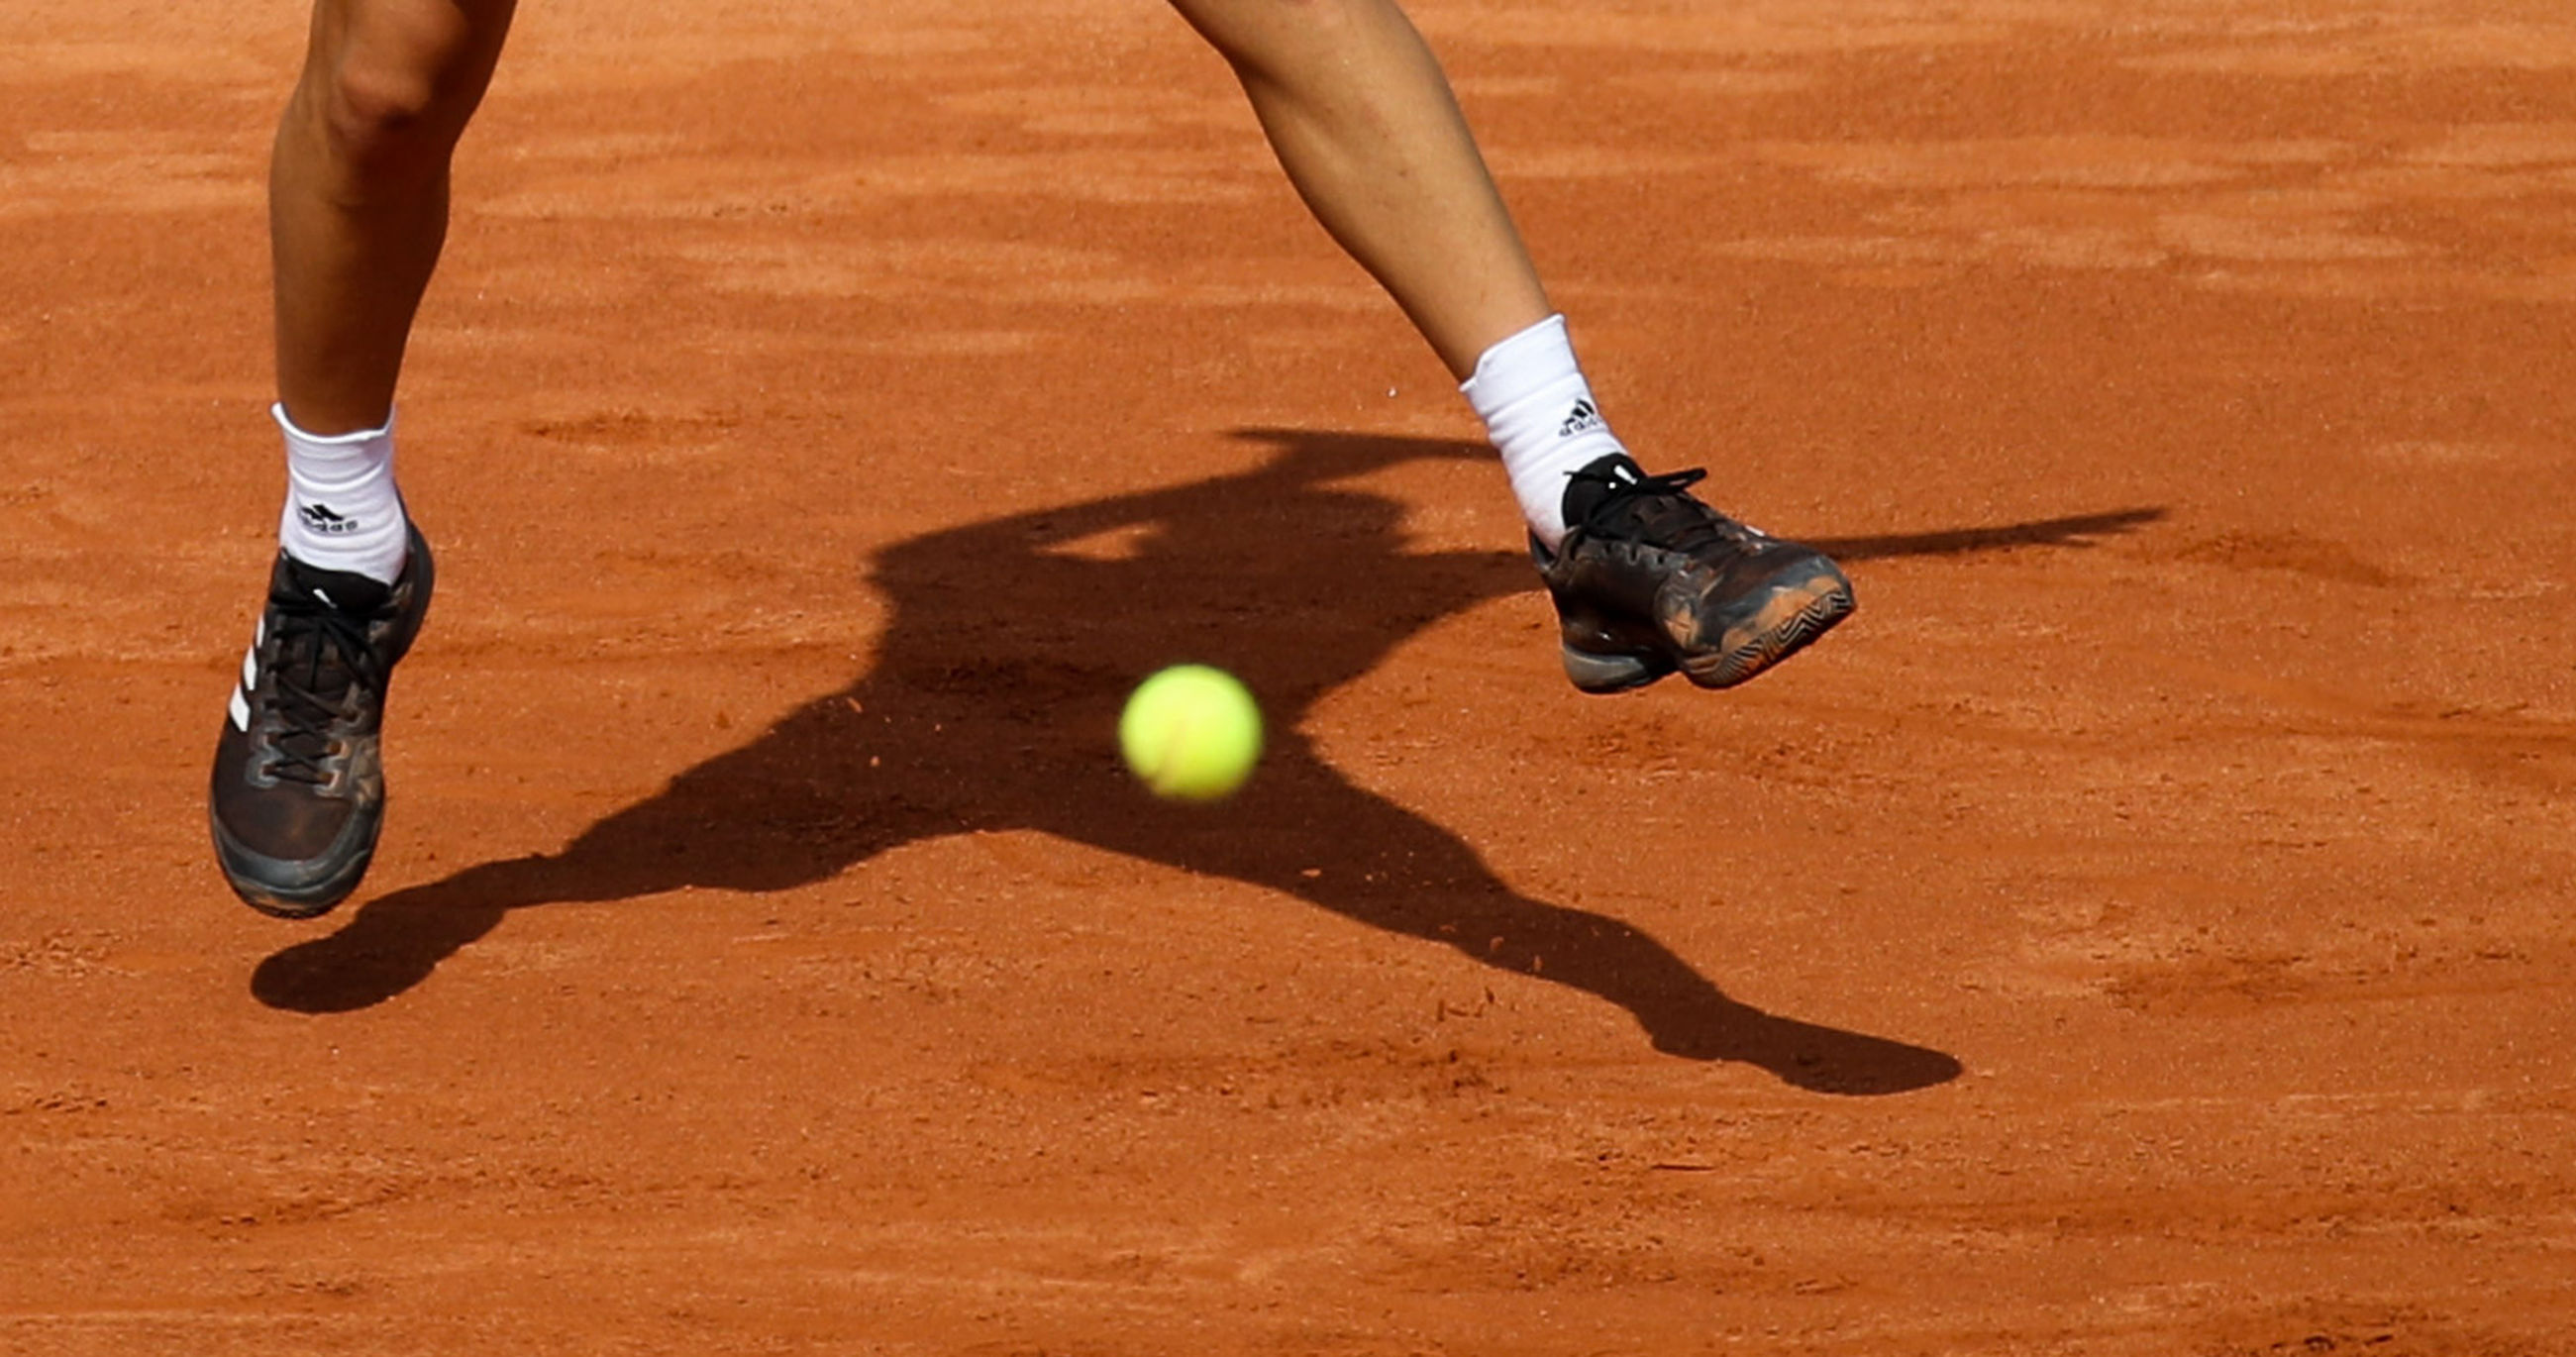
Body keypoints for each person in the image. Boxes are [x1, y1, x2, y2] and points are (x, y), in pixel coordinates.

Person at [209, 0, 1858, 919]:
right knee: (383, 88)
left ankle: (1579, 485)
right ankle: (341, 548)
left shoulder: (1342, 573)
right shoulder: (939, 576)